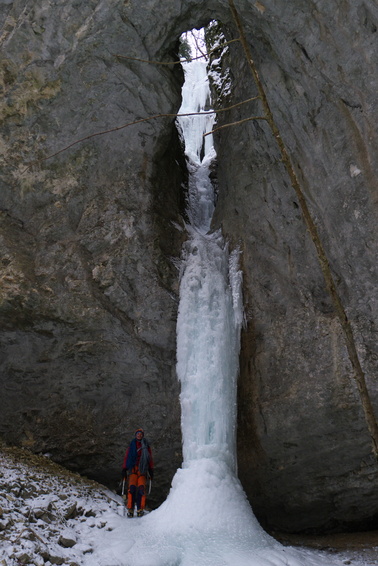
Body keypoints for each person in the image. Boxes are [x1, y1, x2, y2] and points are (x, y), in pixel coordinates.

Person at [122, 428, 154, 517]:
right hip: (133, 470)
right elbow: (127, 457)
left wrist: (151, 470)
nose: (139, 435)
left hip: (142, 470)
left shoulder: (146, 446)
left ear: (142, 435)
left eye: (140, 434)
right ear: (135, 435)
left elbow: (149, 459)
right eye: (138, 434)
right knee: (131, 489)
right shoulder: (131, 446)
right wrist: (124, 469)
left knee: (141, 489)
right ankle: (130, 509)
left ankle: (140, 509)